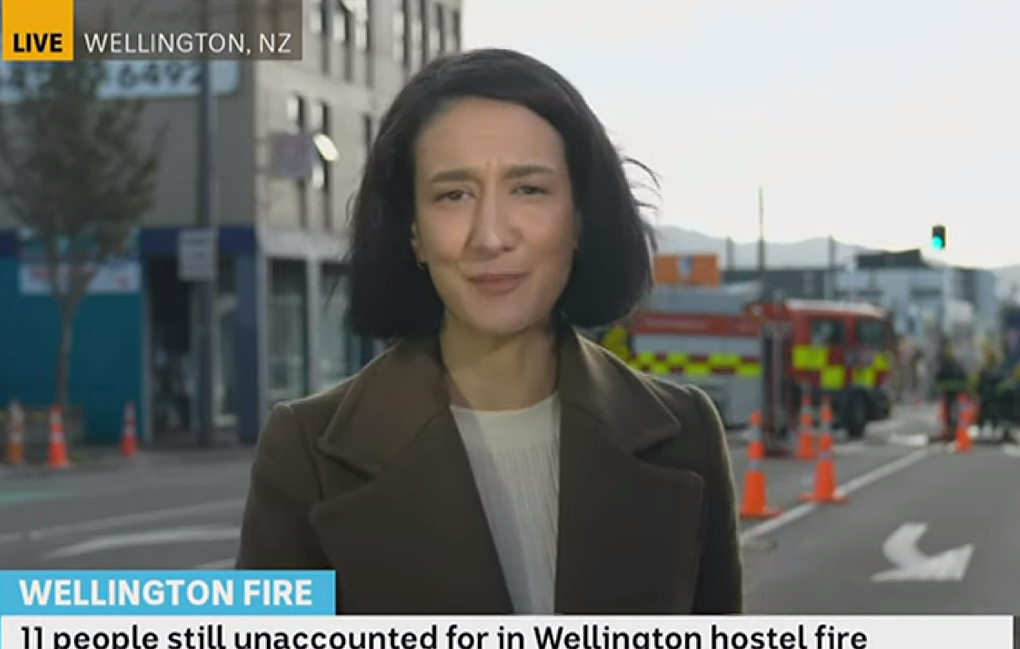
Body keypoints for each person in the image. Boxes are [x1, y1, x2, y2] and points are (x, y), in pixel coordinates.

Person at [235, 48, 743, 615]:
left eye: (528, 189)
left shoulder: (685, 434)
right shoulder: (307, 452)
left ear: (578, 218)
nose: (490, 235)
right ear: (414, 234)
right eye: (454, 195)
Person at [934, 344, 967, 441]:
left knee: (950, 411)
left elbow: (938, 377)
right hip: (953, 393)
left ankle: (950, 430)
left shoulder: (946, 366)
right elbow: (963, 377)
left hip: (949, 393)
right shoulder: (956, 366)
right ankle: (951, 430)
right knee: (952, 411)